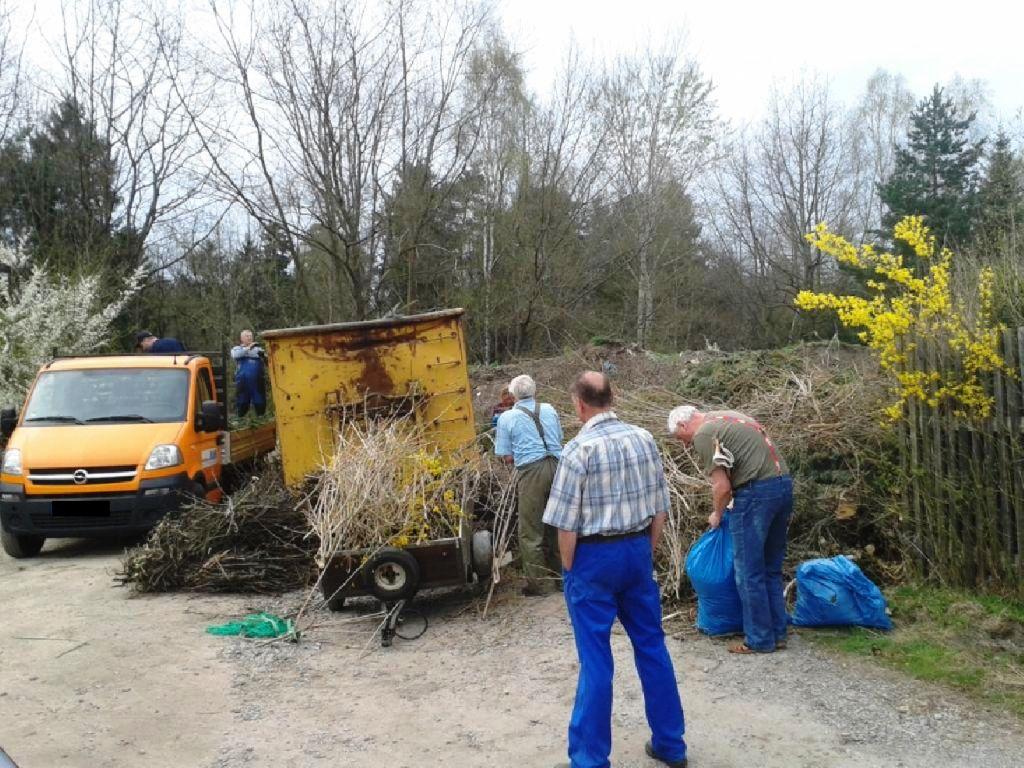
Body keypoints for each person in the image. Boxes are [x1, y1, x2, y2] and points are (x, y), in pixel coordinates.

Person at [545, 371, 686, 768]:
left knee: (596, 659)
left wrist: (571, 571)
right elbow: (660, 508)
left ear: (579, 404)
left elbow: (565, 525)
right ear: (614, 396)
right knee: (651, 646)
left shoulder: (577, 451)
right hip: (637, 550)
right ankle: (671, 744)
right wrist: (645, 552)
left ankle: (590, 760)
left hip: (593, 558)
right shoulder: (644, 439)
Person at [667, 405, 793, 655]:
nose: (684, 446)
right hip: (783, 487)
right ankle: (777, 633)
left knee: (748, 571)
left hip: (756, 494)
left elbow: (722, 487)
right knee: (770, 568)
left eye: (680, 439)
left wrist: (717, 514)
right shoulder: (726, 417)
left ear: (683, 426)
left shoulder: (703, 434)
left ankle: (758, 639)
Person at [494, 374, 564, 596]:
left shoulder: (506, 418)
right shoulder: (550, 409)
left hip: (532, 472)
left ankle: (540, 584)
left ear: (513, 395)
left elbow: (505, 456)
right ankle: (564, 578)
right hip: (558, 467)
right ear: (535, 391)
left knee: (531, 531)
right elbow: (559, 438)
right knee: (559, 525)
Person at [230, 330, 267, 418]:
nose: (250, 338)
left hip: (257, 382)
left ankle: (261, 419)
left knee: (260, 402)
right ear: (241, 338)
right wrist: (249, 347)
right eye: (247, 336)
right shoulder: (236, 349)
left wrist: (264, 356)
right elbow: (236, 355)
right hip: (242, 383)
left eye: (251, 336)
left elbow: (268, 360)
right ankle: (240, 420)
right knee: (242, 402)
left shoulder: (258, 350)